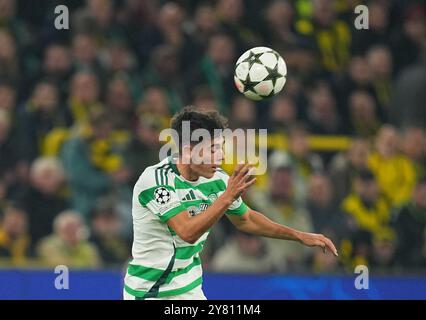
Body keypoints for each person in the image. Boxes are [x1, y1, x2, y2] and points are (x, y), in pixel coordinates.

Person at [123, 107, 337, 300]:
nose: (221, 156)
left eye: (221, 148)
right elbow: (186, 232)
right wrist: (227, 197)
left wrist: (299, 236)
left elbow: (246, 220)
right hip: (149, 292)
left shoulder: (216, 179)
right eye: (213, 149)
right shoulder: (156, 181)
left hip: (189, 289)